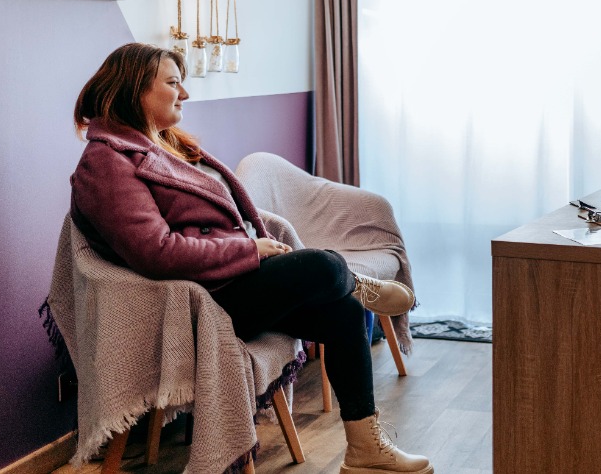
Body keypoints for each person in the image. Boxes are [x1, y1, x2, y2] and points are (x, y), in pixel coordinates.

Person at [70, 43, 433, 474]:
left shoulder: (162, 144)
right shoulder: (105, 162)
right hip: (196, 304)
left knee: (345, 314)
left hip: (226, 281)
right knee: (324, 266)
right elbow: (157, 252)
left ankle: (364, 449)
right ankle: (355, 282)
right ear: (135, 90)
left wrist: (253, 247)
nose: (184, 94)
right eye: (173, 83)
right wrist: (248, 249)